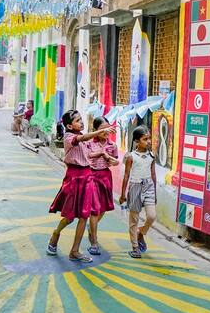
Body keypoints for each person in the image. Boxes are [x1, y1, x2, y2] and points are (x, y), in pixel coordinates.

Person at [46, 110, 113, 263]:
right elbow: (82, 137)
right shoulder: (70, 137)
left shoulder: (83, 139)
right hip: (74, 179)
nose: (81, 122)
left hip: (86, 177)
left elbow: (88, 155)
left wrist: (105, 156)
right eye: (78, 120)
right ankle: (56, 234)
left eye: (81, 119)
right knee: (69, 217)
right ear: (69, 125)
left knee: (84, 216)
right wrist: (101, 130)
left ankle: (75, 250)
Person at [119, 125, 157, 258]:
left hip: (149, 187)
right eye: (145, 139)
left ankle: (141, 233)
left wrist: (155, 192)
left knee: (152, 216)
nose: (148, 141)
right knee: (134, 219)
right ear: (136, 141)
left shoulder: (152, 155)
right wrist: (123, 194)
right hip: (135, 187)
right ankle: (135, 247)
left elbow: (153, 174)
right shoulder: (131, 156)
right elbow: (126, 176)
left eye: (149, 139)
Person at [86, 117, 119, 255]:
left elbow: (116, 161)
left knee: (103, 208)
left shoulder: (112, 145)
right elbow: (88, 156)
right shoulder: (89, 143)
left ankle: (91, 226)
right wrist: (101, 154)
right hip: (92, 176)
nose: (106, 132)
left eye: (108, 128)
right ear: (95, 130)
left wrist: (113, 161)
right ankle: (94, 242)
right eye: (102, 129)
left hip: (106, 177)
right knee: (94, 209)